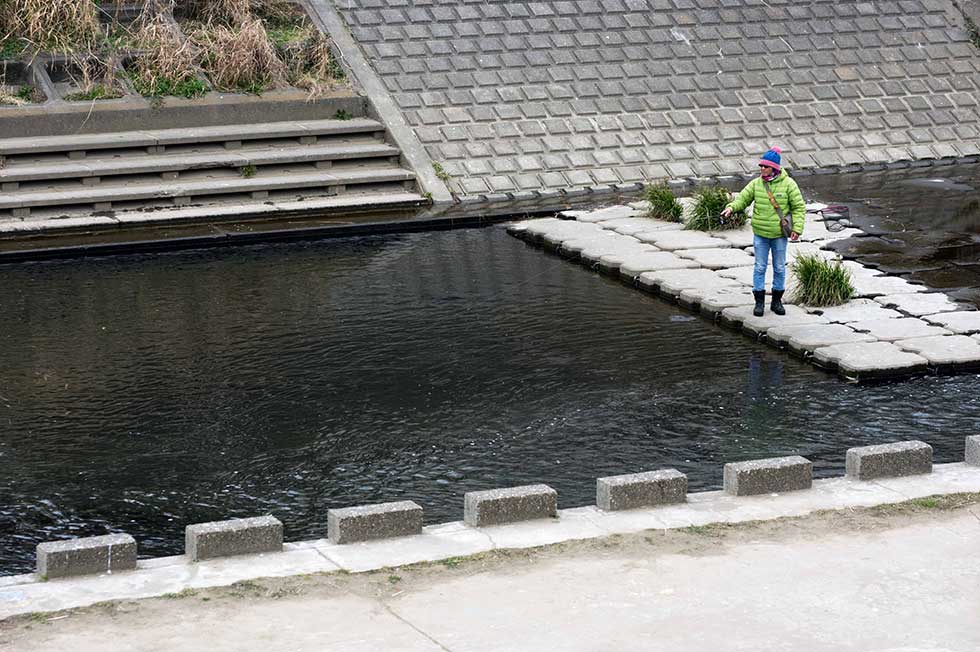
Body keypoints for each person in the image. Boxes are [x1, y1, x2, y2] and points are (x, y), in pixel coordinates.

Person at [720, 146, 805, 317]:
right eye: (761, 166)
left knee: (780, 267)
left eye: (765, 166)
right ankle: (759, 303)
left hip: (779, 235)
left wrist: (797, 229)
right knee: (759, 267)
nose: (761, 169)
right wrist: (731, 208)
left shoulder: (789, 185)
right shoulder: (756, 184)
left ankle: (776, 301)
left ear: (774, 168)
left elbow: (798, 208)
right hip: (760, 234)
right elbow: (742, 199)